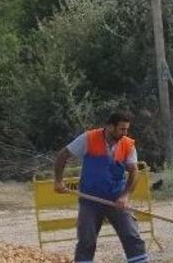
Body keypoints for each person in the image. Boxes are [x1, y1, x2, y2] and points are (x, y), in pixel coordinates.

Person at [53, 111, 149, 263]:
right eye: (121, 129)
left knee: (131, 237)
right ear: (110, 127)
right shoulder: (89, 138)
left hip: (116, 198)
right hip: (90, 200)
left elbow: (133, 172)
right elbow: (62, 155)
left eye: (126, 129)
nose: (125, 133)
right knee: (86, 241)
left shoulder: (127, 144)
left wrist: (125, 196)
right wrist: (58, 181)